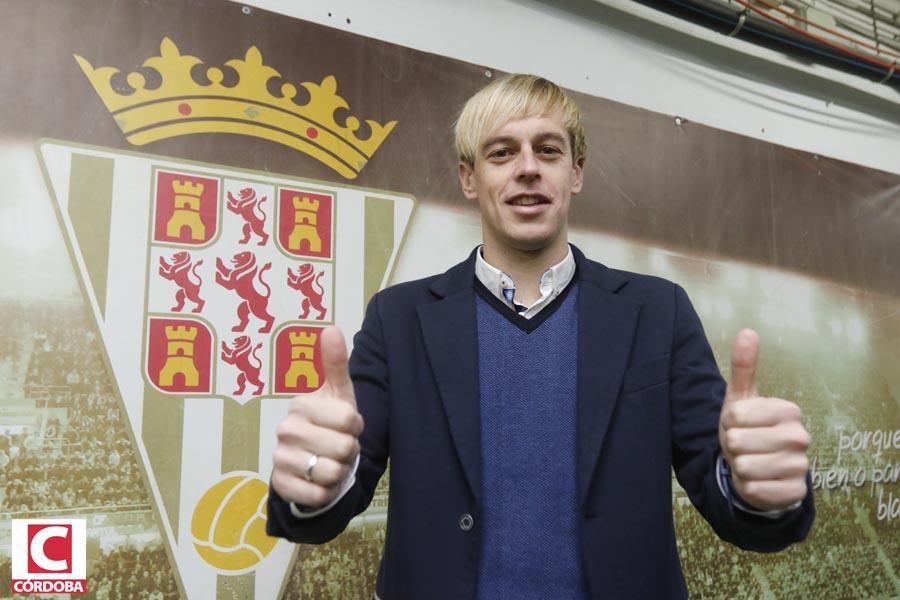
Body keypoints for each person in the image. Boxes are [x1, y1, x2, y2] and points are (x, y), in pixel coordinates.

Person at [266, 74, 814, 599]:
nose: (527, 169)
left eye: (548, 151)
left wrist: (759, 490)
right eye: (501, 153)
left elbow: (731, 502)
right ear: (468, 177)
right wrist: (316, 481)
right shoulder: (399, 318)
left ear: (576, 173)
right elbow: (336, 499)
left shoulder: (658, 311)